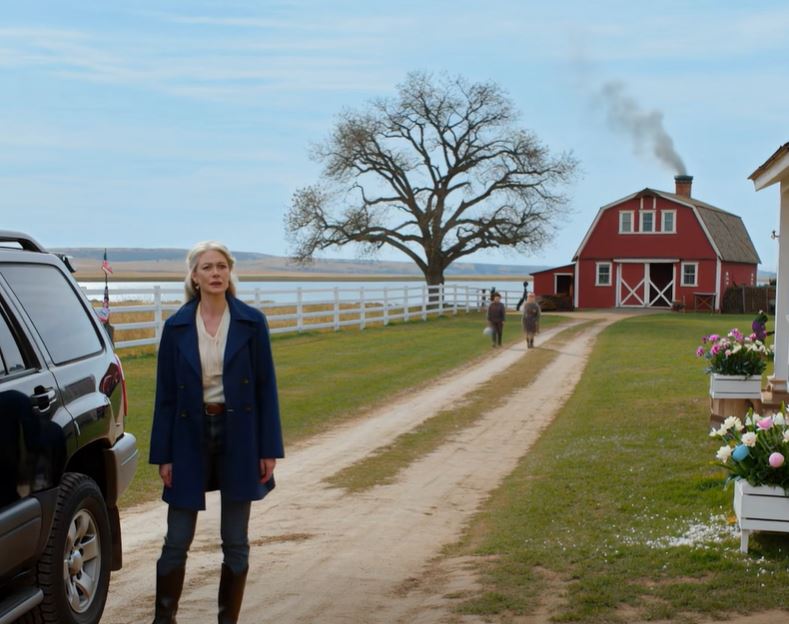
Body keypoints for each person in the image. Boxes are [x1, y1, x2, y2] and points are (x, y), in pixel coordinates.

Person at [149, 241, 284, 624]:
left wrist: (268, 449)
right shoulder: (176, 327)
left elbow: (265, 388)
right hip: (188, 436)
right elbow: (164, 398)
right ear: (193, 275)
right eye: (207, 267)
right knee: (176, 540)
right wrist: (165, 456)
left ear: (230, 272)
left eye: (222, 266)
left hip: (240, 435)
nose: (215, 273)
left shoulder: (252, 322)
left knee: (235, 541)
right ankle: (164, 619)